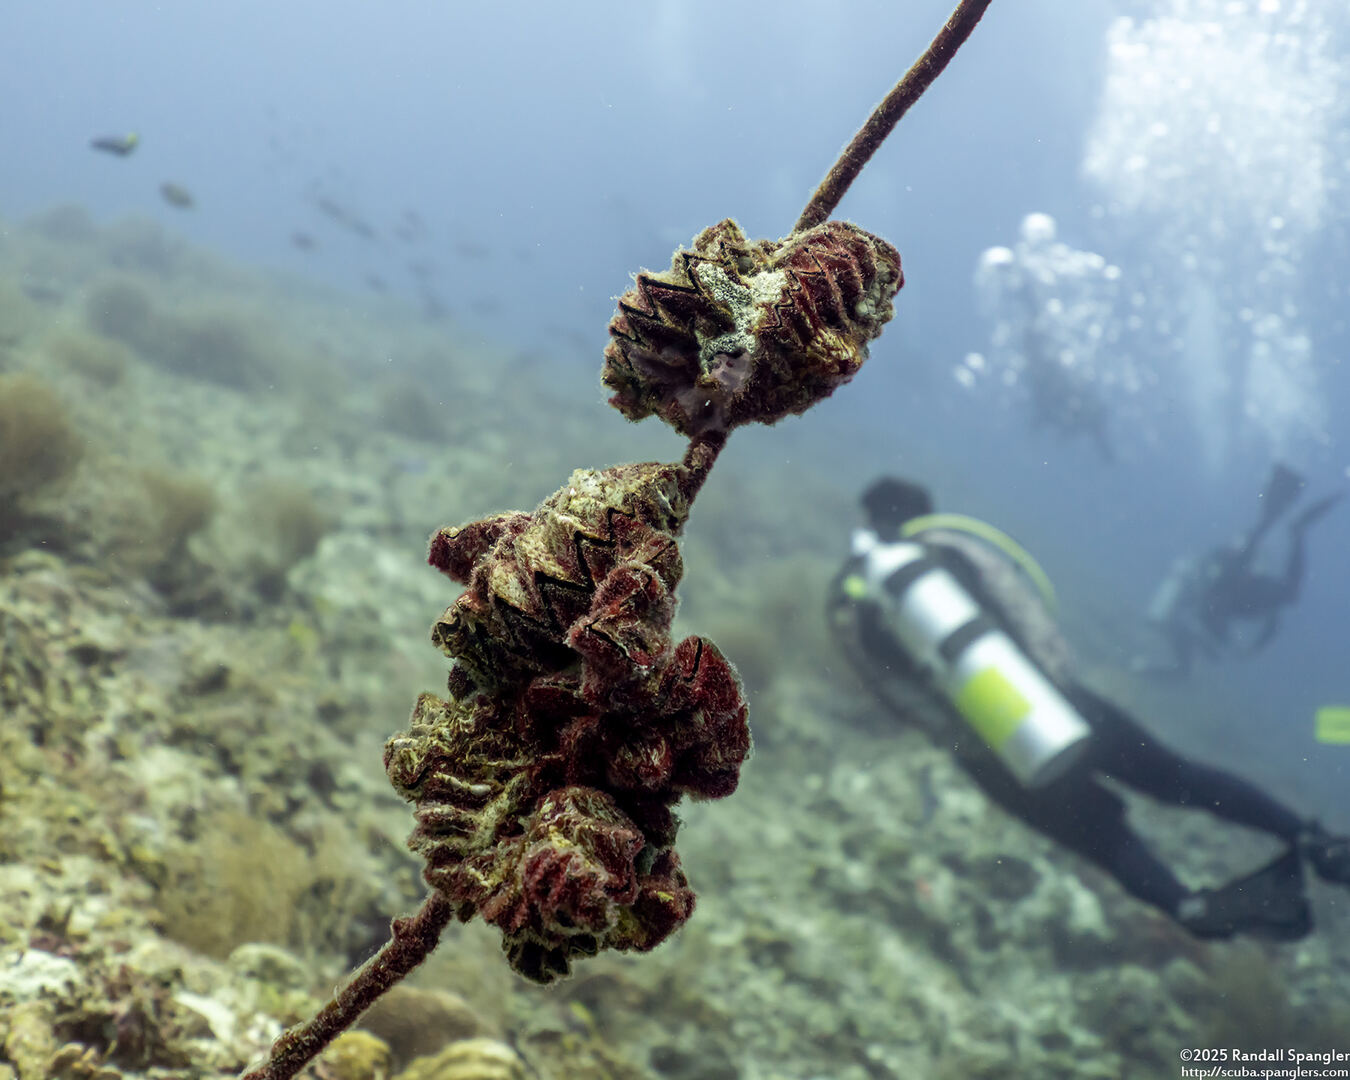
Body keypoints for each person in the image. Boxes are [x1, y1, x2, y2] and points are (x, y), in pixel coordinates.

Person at [827, 475, 1350, 942]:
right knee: (1177, 779)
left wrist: (968, 741)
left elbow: (886, 689)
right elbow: (1023, 607)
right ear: (924, 510)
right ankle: (1311, 839)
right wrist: (1054, 683)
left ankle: (1186, 903)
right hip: (1057, 701)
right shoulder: (947, 543)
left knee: (1103, 837)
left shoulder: (850, 594)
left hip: (990, 752)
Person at [1135, 463, 1343, 677]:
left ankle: (1282, 492)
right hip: (1236, 587)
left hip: (1235, 586)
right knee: (1284, 585)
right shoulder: (1210, 610)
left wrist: (1248, 646)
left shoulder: (1211, 605)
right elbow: (1269, 624)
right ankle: (1283, 493)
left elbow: (1264, 621)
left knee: (1282, 582)